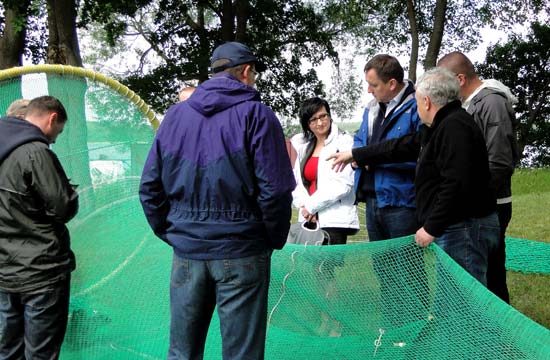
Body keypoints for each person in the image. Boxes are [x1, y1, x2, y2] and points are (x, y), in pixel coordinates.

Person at [139, 41, 295, 360]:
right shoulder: (259, 116)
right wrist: (272, 238)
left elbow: (149, 188)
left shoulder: (175, 117)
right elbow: (276, 191)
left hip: (190, 251)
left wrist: (174, 234)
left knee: (182, 353)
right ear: (247, 72)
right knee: (242, 355)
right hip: (242, 250)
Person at [329, 67, 499, 286]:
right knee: (451, 300)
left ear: (426, 101)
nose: (417, 107)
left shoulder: (455, 127)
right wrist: (357, 154)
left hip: (463, 229)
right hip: (457, 227)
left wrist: (431, 228)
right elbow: (402, 146)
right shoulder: (442, 125)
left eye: (417, 101)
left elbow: (456, 183)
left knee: (459, 302)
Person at [0, 95, 79, 359]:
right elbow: (63, 207)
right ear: (52, 118)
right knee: (41, 352)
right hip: (40, 271)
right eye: (59, 130)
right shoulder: (35, 151)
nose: (55, 137)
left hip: (4, 271)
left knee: (8, 348)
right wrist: (69, 192)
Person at [437, 51, 519, 303]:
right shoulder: (470, 104)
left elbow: (500, 161)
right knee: (481, 272)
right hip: (476, 206)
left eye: (445, 83)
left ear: (460, 79)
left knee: (490, 275)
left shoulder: (491, 103)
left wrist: (472, 200)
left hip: (489, 206)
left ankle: (498, 335)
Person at [355, 54, 422, 242]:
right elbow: (359, 140)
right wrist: (360, 155)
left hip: (402, 201)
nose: (369, 90)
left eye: (374, 85)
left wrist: (373, 157)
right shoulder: (371, 108)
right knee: (380, 266)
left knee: (406, 265)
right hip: (372, 198)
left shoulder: (417, 106)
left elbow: (420, 152)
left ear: (392, 84)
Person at [291, 97, 359, 245]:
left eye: (323, 116)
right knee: (306, 266)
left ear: (330, 115)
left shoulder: (345, 142)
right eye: (313, 119)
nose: (320, 122)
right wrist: (304, 207)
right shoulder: (304, 148)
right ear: (307, 124)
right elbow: (296, 182)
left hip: (334, 220)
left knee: (326, 267)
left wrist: (312, 206)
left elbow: (343, 184)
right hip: (308, 219)